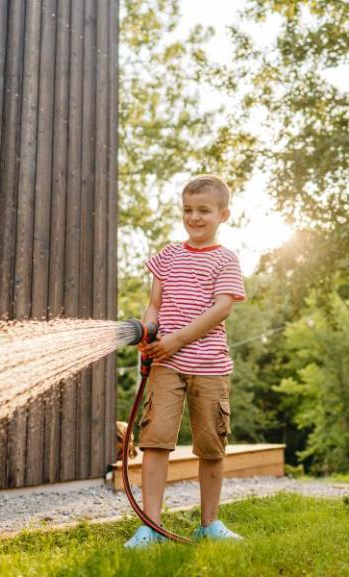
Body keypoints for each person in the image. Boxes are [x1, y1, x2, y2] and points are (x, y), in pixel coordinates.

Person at [126, 175, 246, 548]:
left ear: (223, 215)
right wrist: (149, 330)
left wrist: (177, 339)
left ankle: (209, 523)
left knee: (211, 447)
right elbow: (155, 304)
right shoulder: (169, 255)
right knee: (156, 441)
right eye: (188, 210)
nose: (194, 218)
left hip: (209, 366)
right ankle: (152, 526)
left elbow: (221, 309)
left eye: (203, 211)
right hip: (165, 365)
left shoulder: (226, 259)